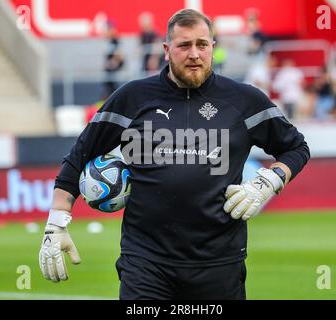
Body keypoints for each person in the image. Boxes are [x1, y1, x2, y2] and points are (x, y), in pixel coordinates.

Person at [39, 9, 310, 300]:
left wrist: (271, 179)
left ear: (213, 47)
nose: (194, 53)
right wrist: (56, 222)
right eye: (184, 45)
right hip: (145, 262)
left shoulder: (244, 100)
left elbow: (296, 148)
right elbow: (80, 155)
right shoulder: (132, 97)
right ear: (167, 50)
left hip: (219, 263)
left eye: (202, 45)